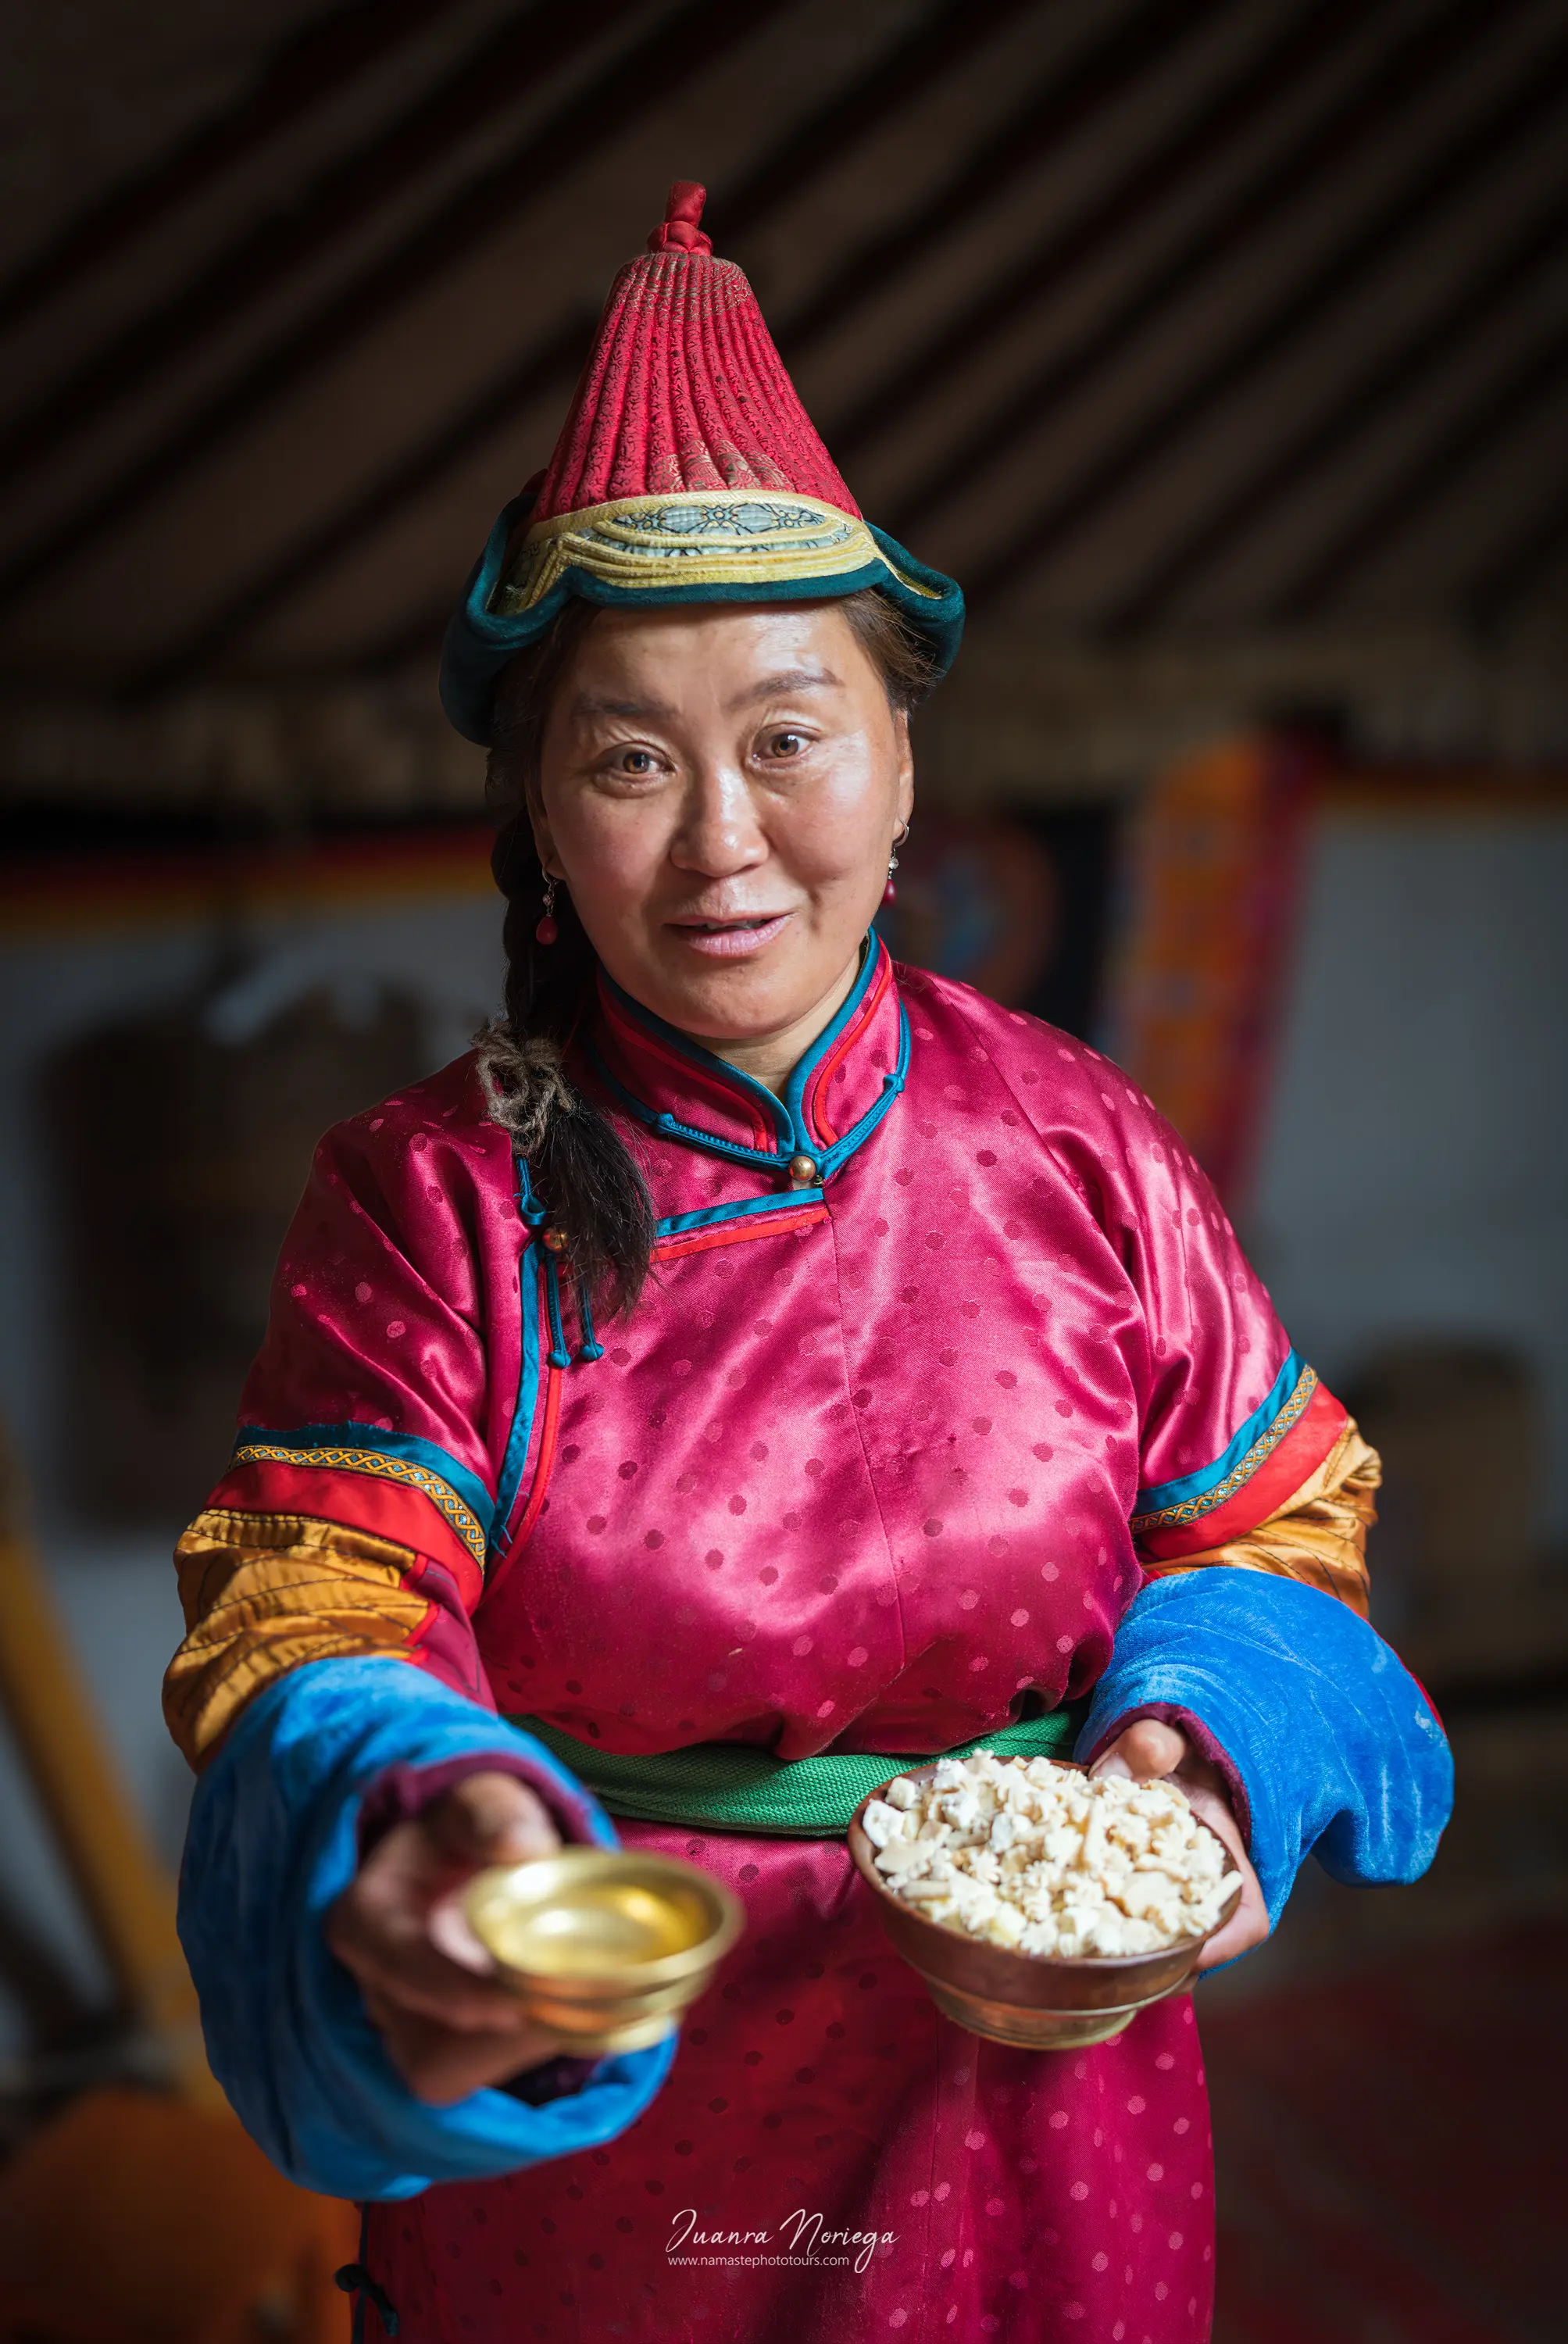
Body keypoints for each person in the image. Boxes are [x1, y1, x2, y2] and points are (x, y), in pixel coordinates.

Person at [166, 184, 1451, 2342]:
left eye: (785, 737)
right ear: (544, 834)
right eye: (627, 762)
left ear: (900, 755)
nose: (722, 839)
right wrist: (443, 1806)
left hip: (1038, 2091)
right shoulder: (435, 1193)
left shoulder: (1072, 1134)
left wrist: (1185, 1754)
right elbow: (317, 1584)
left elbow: (1272, 1521)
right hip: (617, 2122)